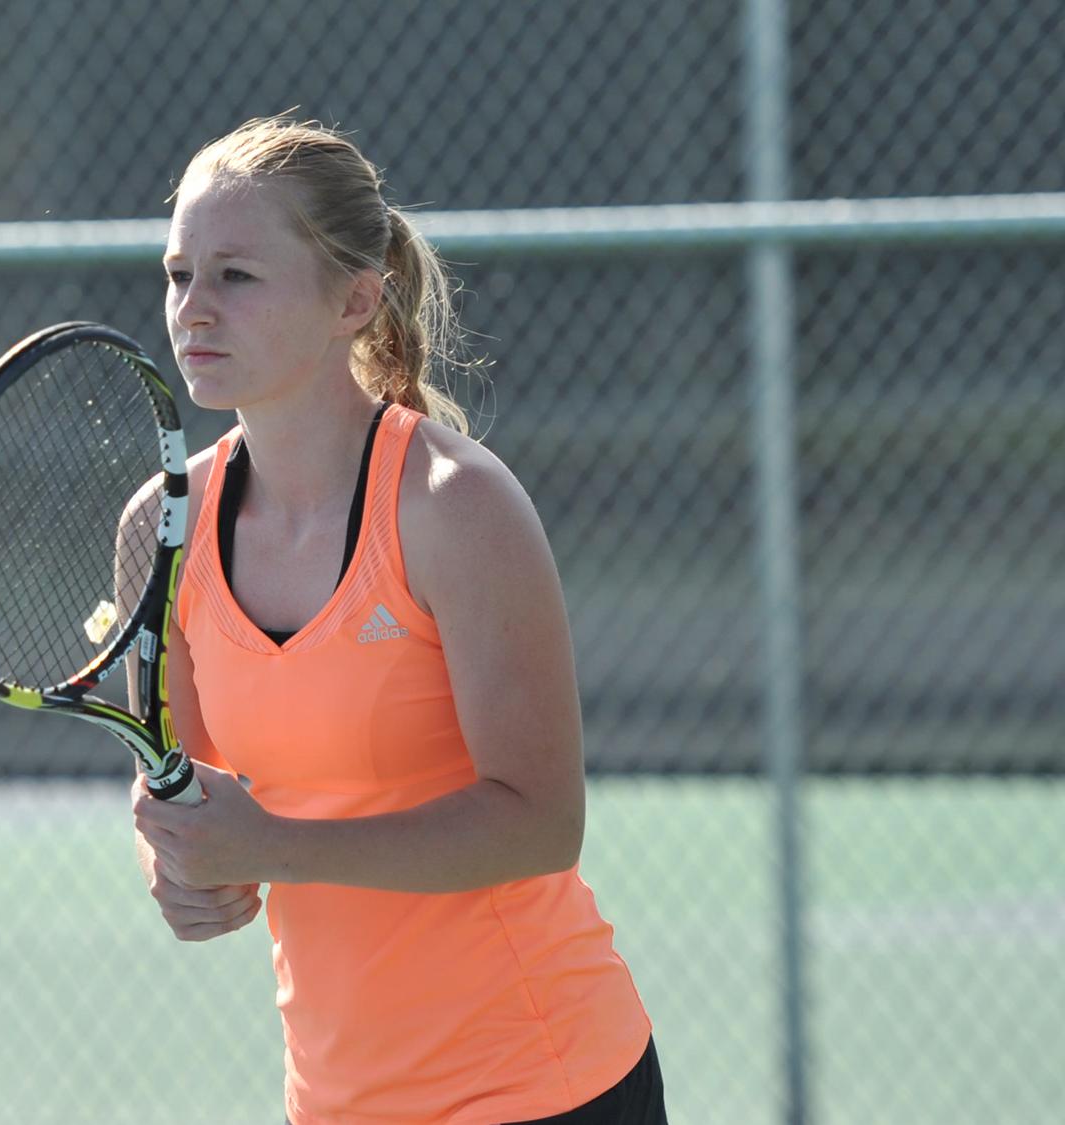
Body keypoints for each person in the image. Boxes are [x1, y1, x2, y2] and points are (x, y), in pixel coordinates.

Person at [130, 116, 667, 1125]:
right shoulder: (158, 531)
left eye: (235, 277)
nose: (192, 309)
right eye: (175, 274)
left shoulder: (454, 505)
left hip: (542, 1085)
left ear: (354, 298)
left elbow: (541, 821)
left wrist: (269, 847)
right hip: (335, 1102)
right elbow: (195, 802)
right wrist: (182, 871)